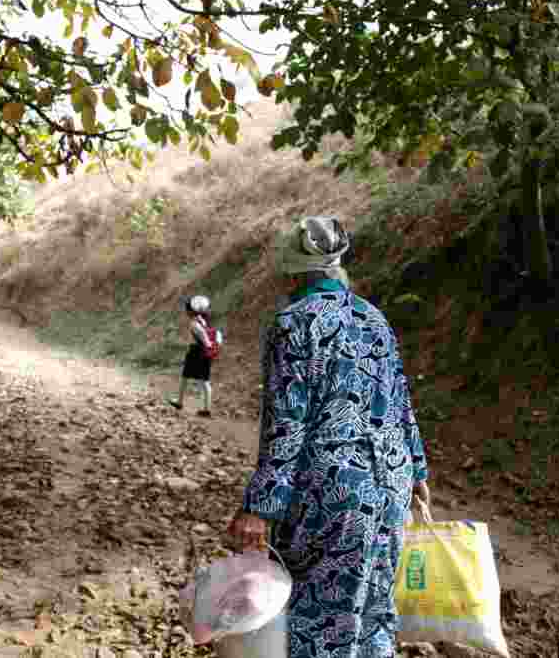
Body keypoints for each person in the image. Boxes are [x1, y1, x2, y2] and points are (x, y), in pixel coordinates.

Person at [228, 216, 431, 658]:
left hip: (331, 497)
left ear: (294, 271)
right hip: (390, 486)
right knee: (374, 615)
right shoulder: (374, 318)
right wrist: (416, 469)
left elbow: (288, 423)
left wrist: (260, 508)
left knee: (318, 624)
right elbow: (399, 399)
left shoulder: (293, 323)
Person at [169, 295, 215, 418]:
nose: (185, 311)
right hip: (205, 353)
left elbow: (204, 338)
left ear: (191, 311)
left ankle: (179, 402)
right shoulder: (203, 320)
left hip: (196, 352)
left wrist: (207, 345)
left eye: (187, 309)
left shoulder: (194, 323)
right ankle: (206, 409)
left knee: (185, 377)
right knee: (205, 381)